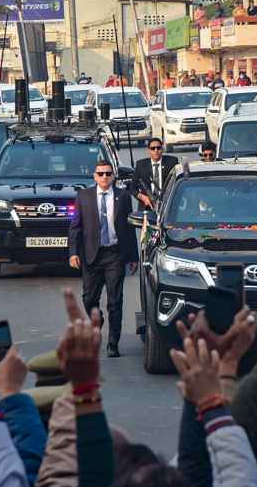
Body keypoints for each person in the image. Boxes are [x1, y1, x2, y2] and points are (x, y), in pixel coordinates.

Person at [68, 160, 138, 358]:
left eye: (108, 173)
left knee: (115, 301)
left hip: (114, 254)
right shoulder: (84, 196)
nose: (105, 177)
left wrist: (133, 257)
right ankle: (97, 319)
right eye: (101, 174)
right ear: (94, 176)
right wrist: (73, 252)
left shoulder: (123, 197)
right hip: (91, 255)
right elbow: (75, 227)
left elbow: (129, 227)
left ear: (113, 176)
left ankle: (113, 343)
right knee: (89, 298)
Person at [134, 137, 179, 209]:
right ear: (148, 150)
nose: (156, 150)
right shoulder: (141, 165)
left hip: (167, 205)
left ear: (162, 149)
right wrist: (143, 197)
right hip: (147, 206)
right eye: (153, 148)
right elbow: (132, 188)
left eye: (158, 148)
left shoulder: (172, 162)